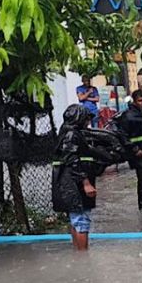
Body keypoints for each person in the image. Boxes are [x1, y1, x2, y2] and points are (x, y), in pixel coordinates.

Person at [52, 104, 98, 250]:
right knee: (81, 221)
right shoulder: (72, 135)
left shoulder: (65, 133)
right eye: (86, 119)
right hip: (74, 185)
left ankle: (78, 254)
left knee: (75, 220)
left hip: (68, 183)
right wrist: (86, 182)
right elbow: (72, 159)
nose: (88, 122)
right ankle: (83, 257)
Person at [112, 89, 142, 210]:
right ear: (134, 101)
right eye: (140, 100)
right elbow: (122, 135)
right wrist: (135, 149)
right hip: (139, 152)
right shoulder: (128, 116)